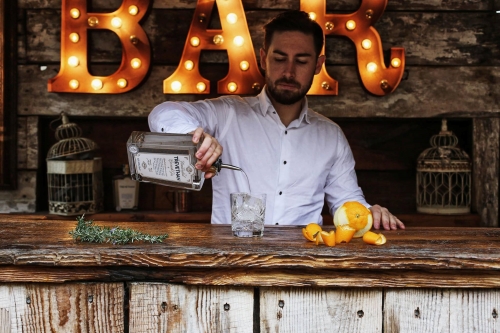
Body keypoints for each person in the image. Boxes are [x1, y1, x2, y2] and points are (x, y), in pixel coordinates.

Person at [148, 10, 405, 230]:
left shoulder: (331, 136)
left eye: (301, 61)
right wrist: (195, 136)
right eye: (279, 59)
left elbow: (347, 203)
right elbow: (162, 114)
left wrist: (371, 212)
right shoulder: (228, 113)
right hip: (230, 264)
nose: (289, 72)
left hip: (302, 270)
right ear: (263, 59)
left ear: (318, 65)